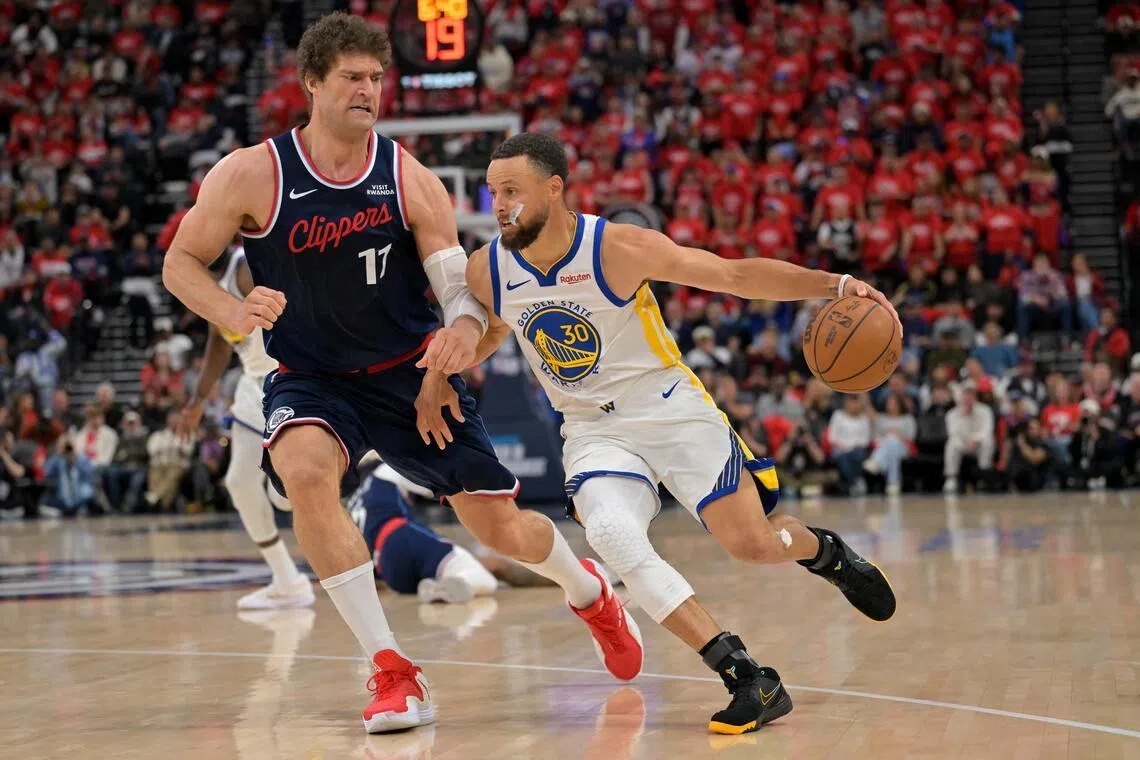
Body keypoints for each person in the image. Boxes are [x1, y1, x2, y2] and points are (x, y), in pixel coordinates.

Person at [161, 13, 638, 734]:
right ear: (312, 83)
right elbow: (178, 264)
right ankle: (391, 669)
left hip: (409, 377)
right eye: (351, 77)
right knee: (303, 468)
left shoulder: (407, 177)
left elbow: (454, 287)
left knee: (503, 530)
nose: (367, 90)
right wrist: (233, 307)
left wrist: (458, 339)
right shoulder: (251, 173)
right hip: (310, 376)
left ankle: (589, 591)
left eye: (376, 78)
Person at [458, 133, 898, 735]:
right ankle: (746, 675)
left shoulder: (617, 248)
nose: (499, 203)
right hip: (589, 427)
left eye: (512, 190)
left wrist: (835, 285)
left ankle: (827, 553)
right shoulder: (487, 269)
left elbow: (734, 274)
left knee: (753, 545)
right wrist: (441, 371)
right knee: (611, 532)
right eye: (493, 191)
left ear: (554, 188)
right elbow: (490, 331)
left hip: (666, 404)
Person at [177, 248, 314, 611]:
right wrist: (197, 401)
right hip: (253, 386)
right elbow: (219, 341)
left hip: (289, 379)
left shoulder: (248, 265)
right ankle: (287, 580)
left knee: (282, 494)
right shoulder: (209, 283)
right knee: (239, 482)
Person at [347, 456, 554, 602]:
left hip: (387, 569)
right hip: (400, 536)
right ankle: (459, 581)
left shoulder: (355, 500)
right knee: (483, 578)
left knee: (471, 564)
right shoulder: (387, 469)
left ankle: (443, 585)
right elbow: (440, 485)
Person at [943, 381, 995, 493]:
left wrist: (975, 439)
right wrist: (963, 417)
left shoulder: (985, 410)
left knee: (988, 442)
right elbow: (953, 433)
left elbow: (987, 430)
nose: (968, 398)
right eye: (966, 394)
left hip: (978, 445)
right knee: (951, 444)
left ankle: (983, 476)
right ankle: (951, 478)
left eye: (971, 395)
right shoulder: (952, 414)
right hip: (962, 444)